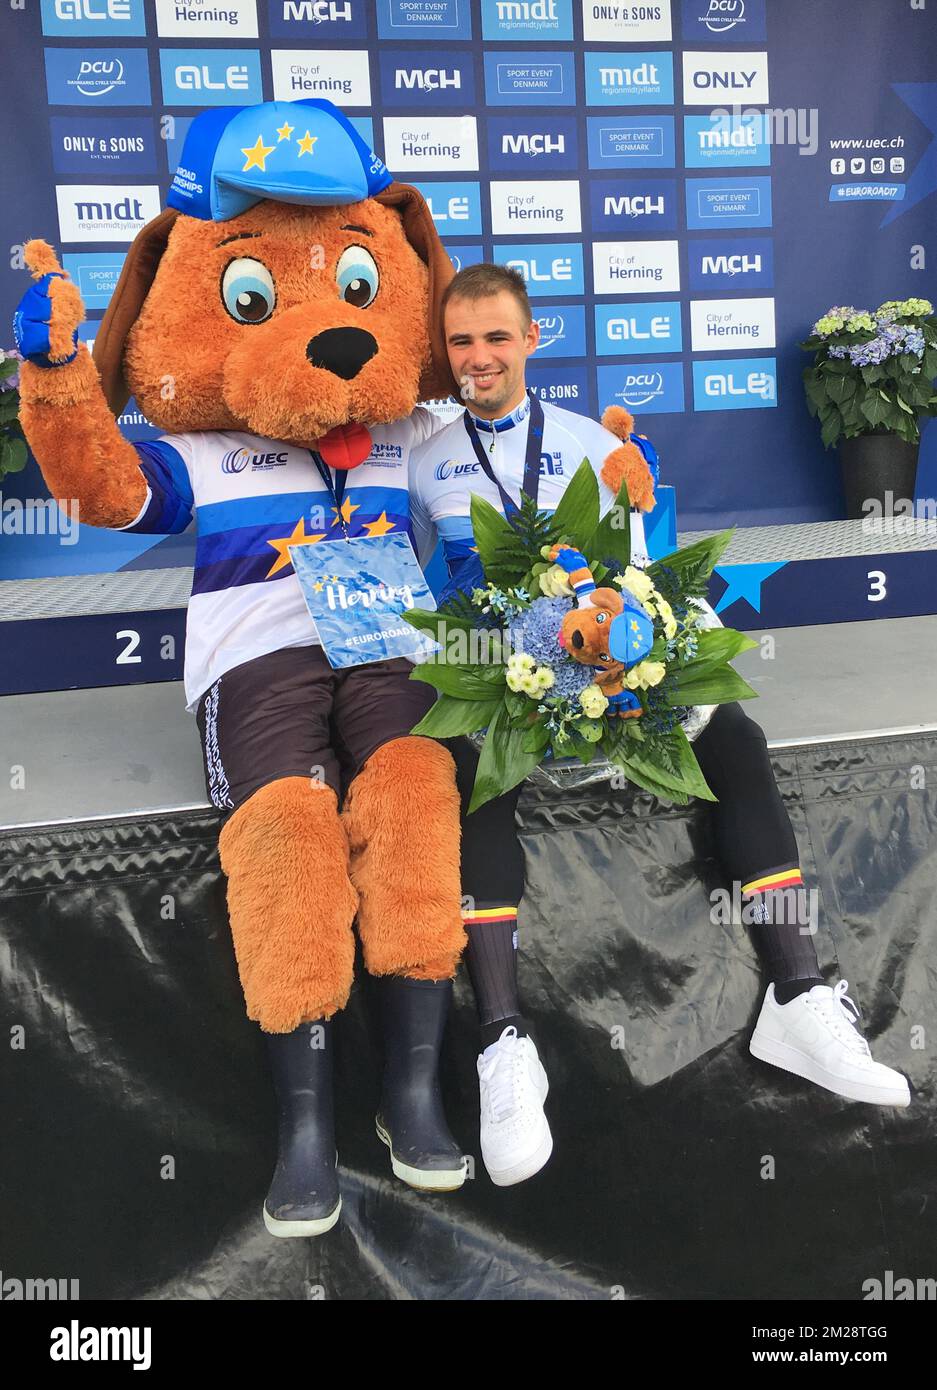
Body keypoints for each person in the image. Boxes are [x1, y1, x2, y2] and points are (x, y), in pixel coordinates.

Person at [409, 263, 910, 1188]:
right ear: (442, 353)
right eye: (459, 341)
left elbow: (638, 573)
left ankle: (797, 993)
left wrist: (629, 658)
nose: (478, 357)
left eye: (495, 337)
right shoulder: (423, 457)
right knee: (465, 761)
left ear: (532, 339)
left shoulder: (596, 442)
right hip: (502, 677)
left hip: (604, 665)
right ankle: (501, 1043)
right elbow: (416, 588)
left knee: (734, 737)